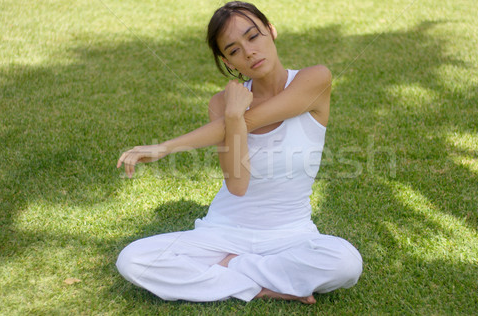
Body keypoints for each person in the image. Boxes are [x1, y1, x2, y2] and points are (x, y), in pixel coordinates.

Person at [115, 1, 362, 304]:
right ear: (228, 62)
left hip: (291, 234)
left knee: (346, 263)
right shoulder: (221, 104)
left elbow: (254, 119)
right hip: (224, 232)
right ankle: (263, 287)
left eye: (253, 36)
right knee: (133, 259)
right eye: (233, 50)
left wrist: (167, 147)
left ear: (271, 31)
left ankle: (231, 268)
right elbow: (238, 185)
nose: (248, 52)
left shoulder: (314, 80)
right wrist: (229, 115)